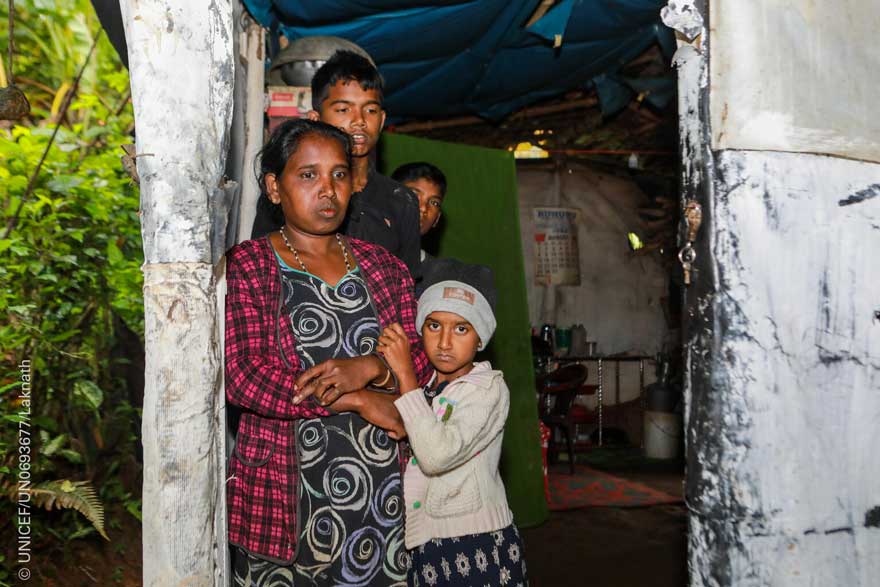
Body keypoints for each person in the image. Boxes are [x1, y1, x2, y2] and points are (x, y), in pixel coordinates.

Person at [225, 118, 432, 587]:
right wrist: (356, 398)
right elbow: (245, 375)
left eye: (339, 175)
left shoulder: (385, 268)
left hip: (385, 500)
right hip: (286, 504)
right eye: (308, 175)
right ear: (274, 188)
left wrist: (371, 369)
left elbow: (420, 359)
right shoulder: (249, 266)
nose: (328, 190)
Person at [376, 259, 529, 587]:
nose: (445, 342)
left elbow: (436, 455)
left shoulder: (487, 390)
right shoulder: (429, 385)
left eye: (461, 328)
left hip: (477, 543)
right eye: (434, 326)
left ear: (480, 338)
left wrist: (404, 374)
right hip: (428, 542)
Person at [252, 50, 422, 279]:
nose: (359, 121)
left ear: (381, 120)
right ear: (315, 119)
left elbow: (407, 287)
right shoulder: (289, 193)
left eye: (370, 110)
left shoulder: (401, 200)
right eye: (343, 109)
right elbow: (262, 272)